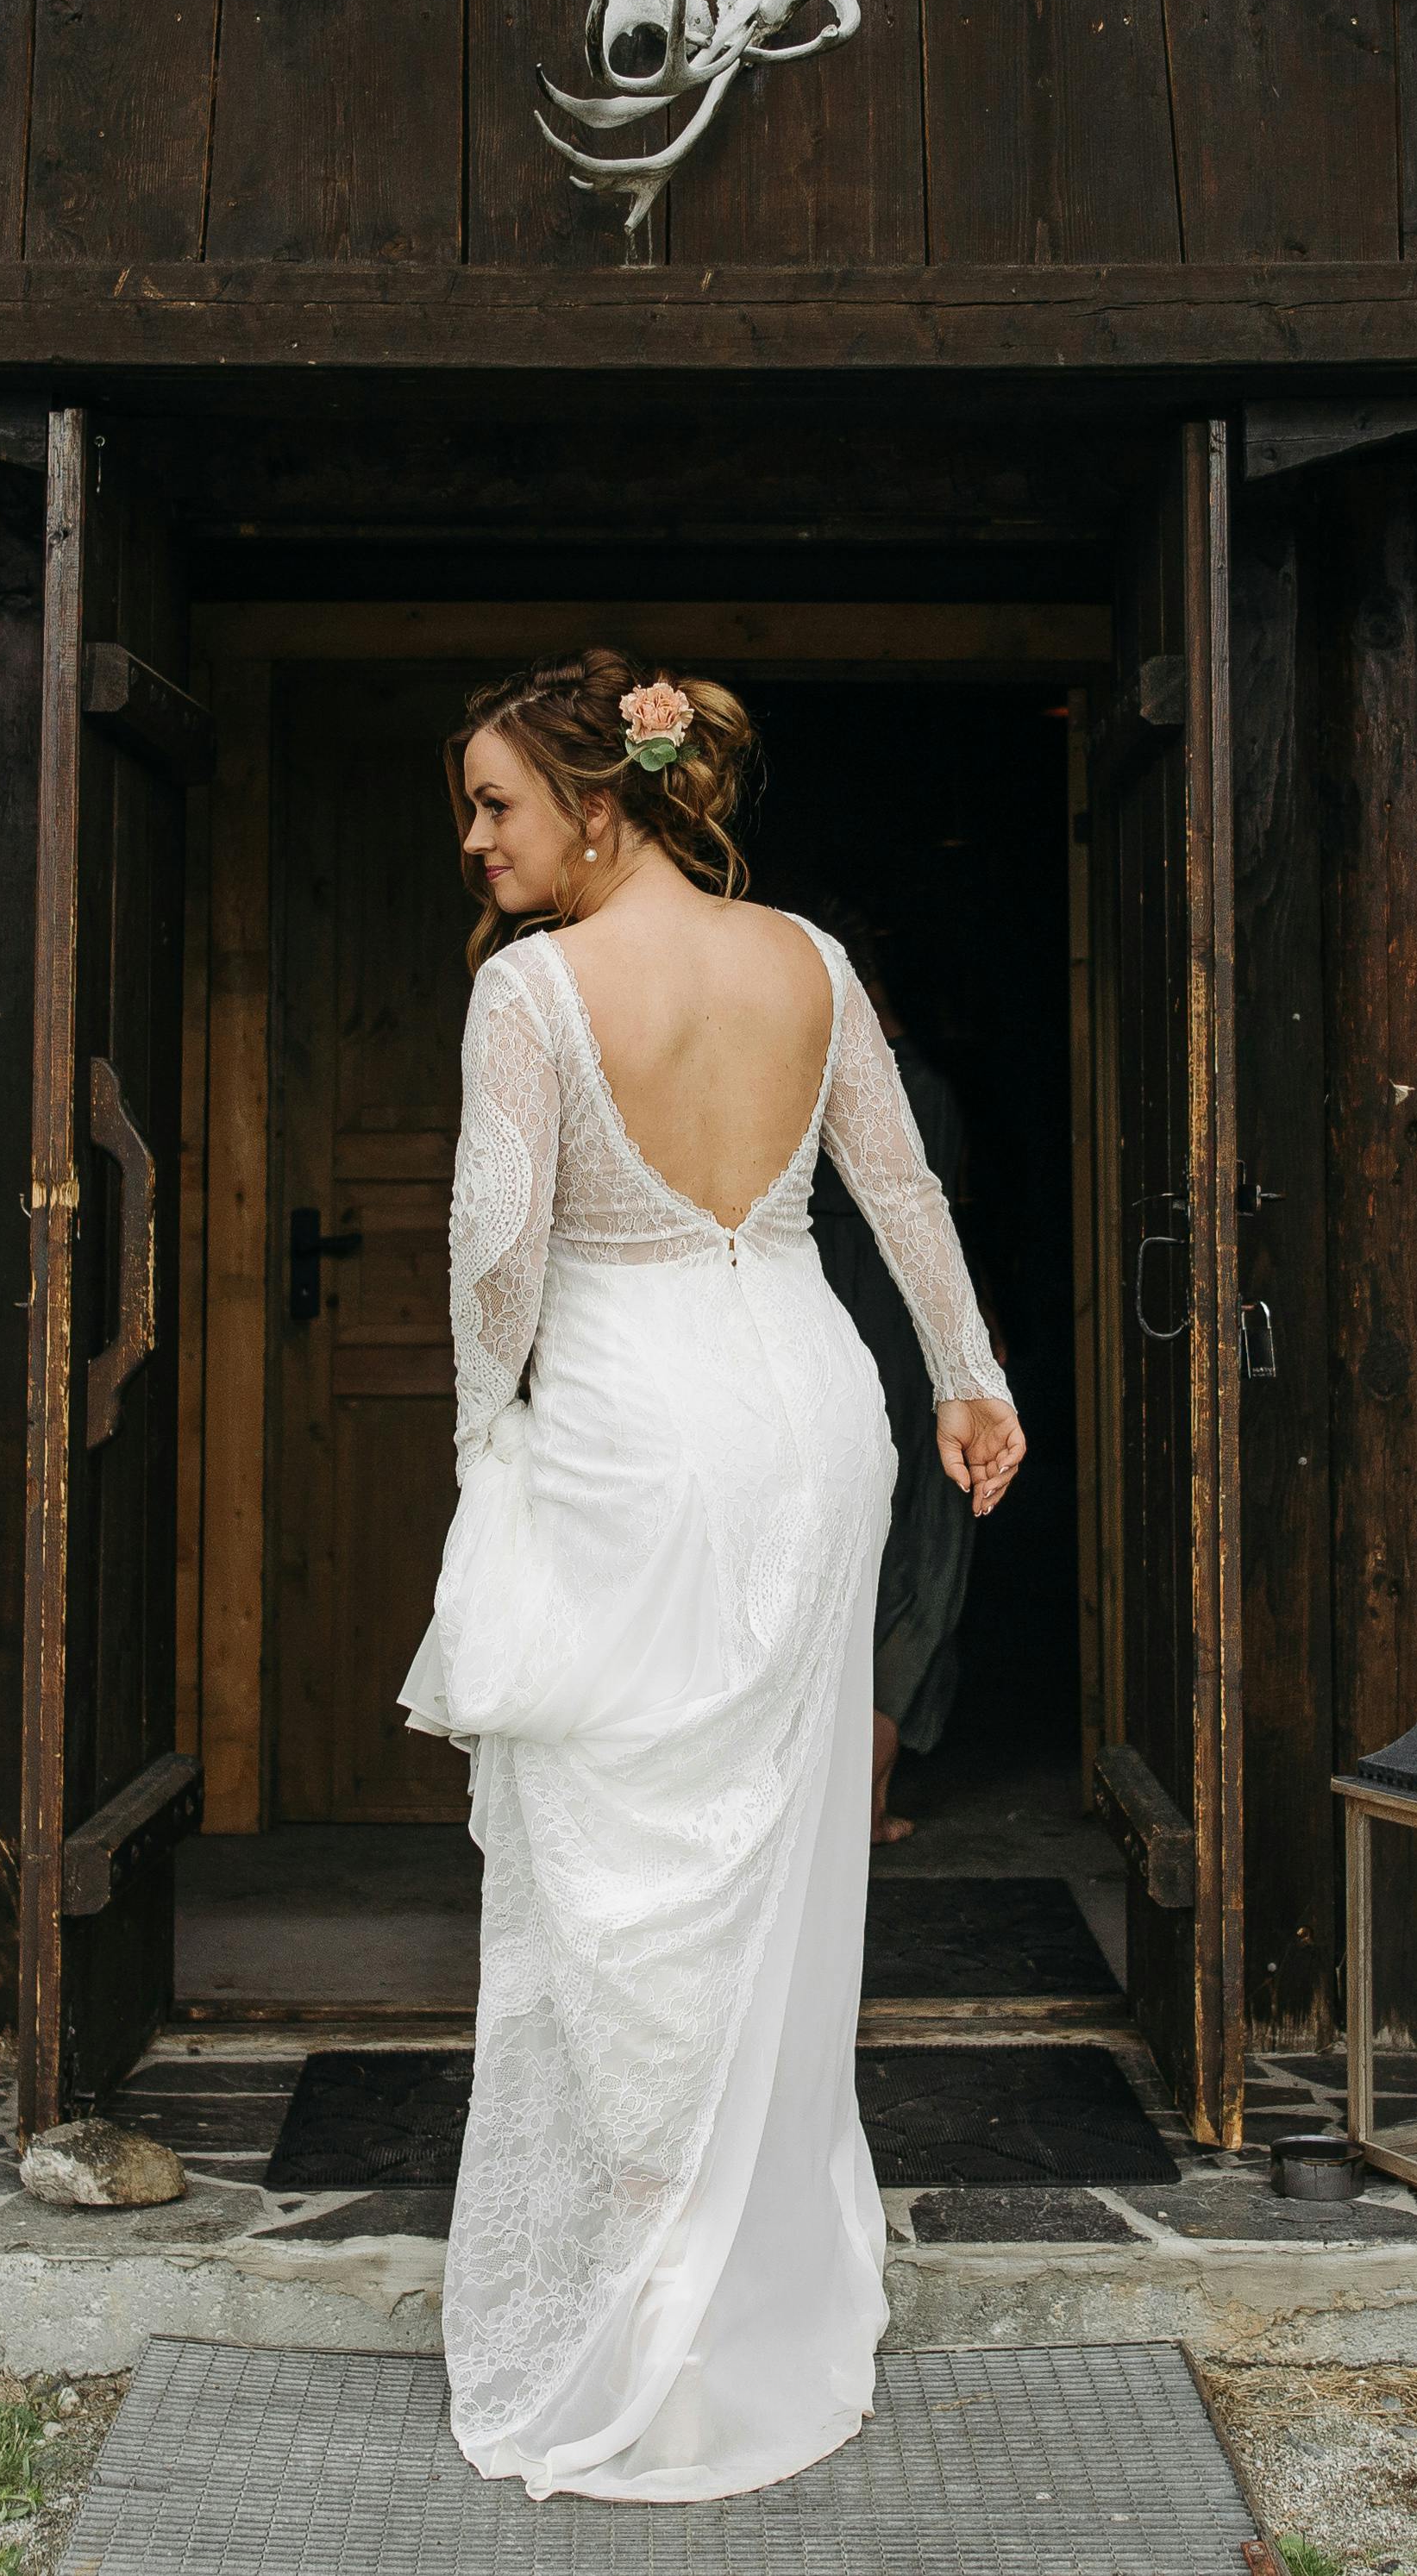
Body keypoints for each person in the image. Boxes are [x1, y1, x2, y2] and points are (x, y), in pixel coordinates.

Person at [401, 650, 1025, 2504]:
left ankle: (650, 2298)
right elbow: (898, 1191)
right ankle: (741, 2286)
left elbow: (496, 1250)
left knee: (615, 1872)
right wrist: (970, 1376)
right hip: (815, 1426)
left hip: (634, 1443)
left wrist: (480, 1443)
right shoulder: (807, 961)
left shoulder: (531, 992)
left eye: (497, 802)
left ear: (600, 803)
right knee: (767, 1853)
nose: (474, 839)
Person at [801, 902, 997, 1844]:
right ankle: (866, 1788)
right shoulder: (915, 1088)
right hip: (894, 1321)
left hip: (824, 1312)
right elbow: (936, 1224)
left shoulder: (802, 1081)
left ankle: (849, 1788)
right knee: (920, 1537)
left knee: (861, 1537)